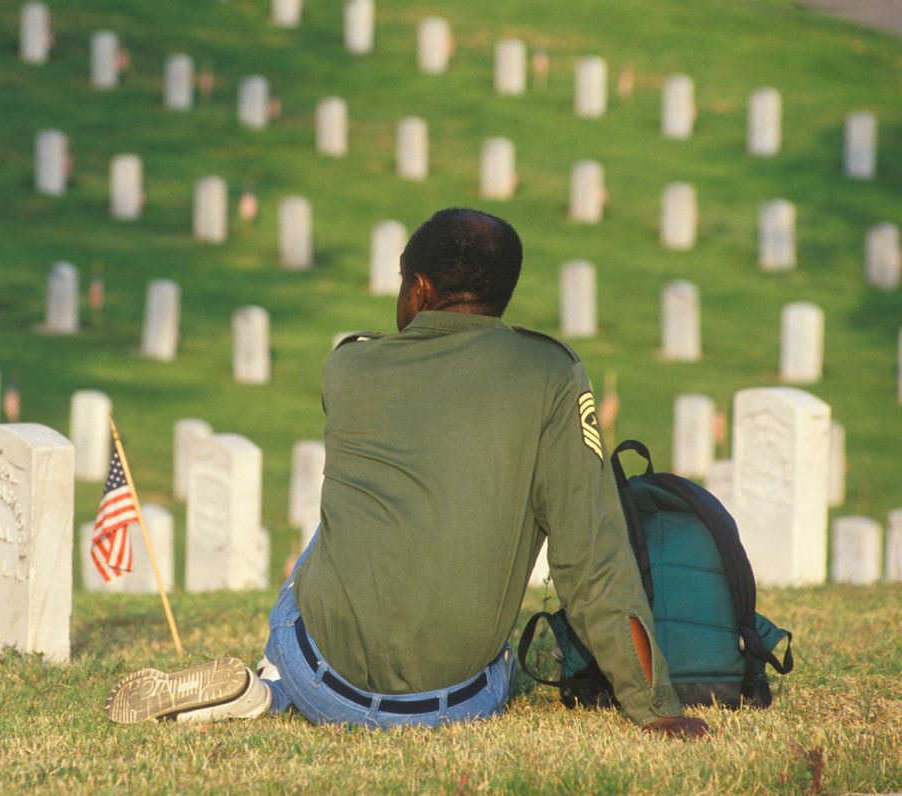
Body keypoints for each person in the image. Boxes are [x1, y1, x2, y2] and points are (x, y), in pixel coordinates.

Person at [106, 208, 710, 739]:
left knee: (330, 538)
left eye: (402, 283)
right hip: (455, 705)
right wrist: (653, 706)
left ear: (418, 290)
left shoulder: (348, 366)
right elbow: (591, 559)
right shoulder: (550, 374)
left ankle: (269, 687)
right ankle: (273, 690)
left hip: (324, 683)